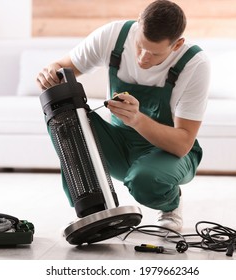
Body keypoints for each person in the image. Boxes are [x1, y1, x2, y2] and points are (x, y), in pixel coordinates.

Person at [36, 0, 210, 232]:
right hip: (119, 145)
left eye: (154, 53)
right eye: (140, 47)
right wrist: (51, 74)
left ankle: (170, 202)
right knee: (62, 112)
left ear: (177, 45)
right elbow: (62, 67)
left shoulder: (194, 65)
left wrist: (137, 119)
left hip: (168, 157)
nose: (142, 58)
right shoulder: (114, 36)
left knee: (144, 181)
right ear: (139, 24)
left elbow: (182, 144)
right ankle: (93, 208)